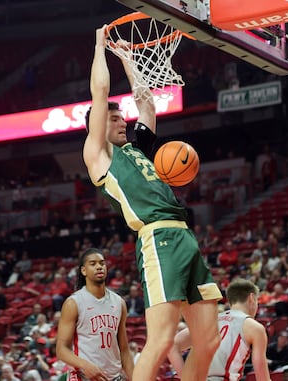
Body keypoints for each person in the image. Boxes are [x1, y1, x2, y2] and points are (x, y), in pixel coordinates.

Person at [82, 25, 222, 381]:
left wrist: (128, 57)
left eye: (120, 117)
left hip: (184, 235)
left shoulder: (136, 147)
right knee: (160, 340)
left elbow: (145, 101)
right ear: (96, 127)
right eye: (113, 119)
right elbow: (100, 94)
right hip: (158, 238)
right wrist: (101, 48)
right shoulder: (99, 155)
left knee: (208, 339)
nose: (121, 121)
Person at [167, 279, 271, 381]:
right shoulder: (254, 327)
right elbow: (262, 377)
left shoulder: (209, 321)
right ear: (252, 298)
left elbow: (172, 346)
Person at [56, 248, 134, 381]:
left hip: (115, 377)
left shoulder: (119, 302)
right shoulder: (74, 303)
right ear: (83, 271)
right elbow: (61, 350)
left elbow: (125, 351)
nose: (99, 267)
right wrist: (85, 365)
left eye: (102, 263)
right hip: (84, 377)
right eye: (93, 264)